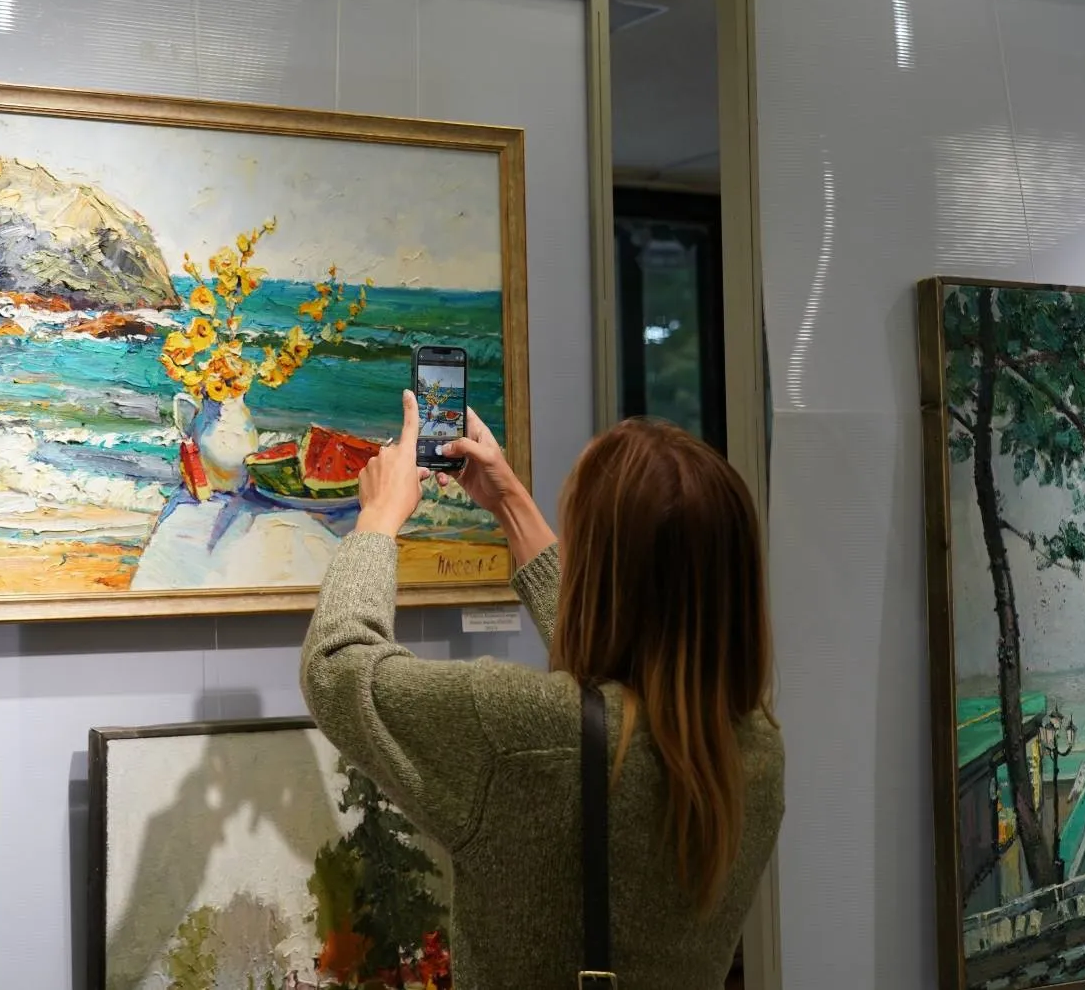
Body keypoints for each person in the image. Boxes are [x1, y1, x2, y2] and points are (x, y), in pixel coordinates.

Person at [301, 391, 784, 990]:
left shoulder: (519, 734)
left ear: (599, 575)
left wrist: (377, 520)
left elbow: (338, 668)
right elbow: (620, 688)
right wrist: (508, 501)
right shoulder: (755, 752)